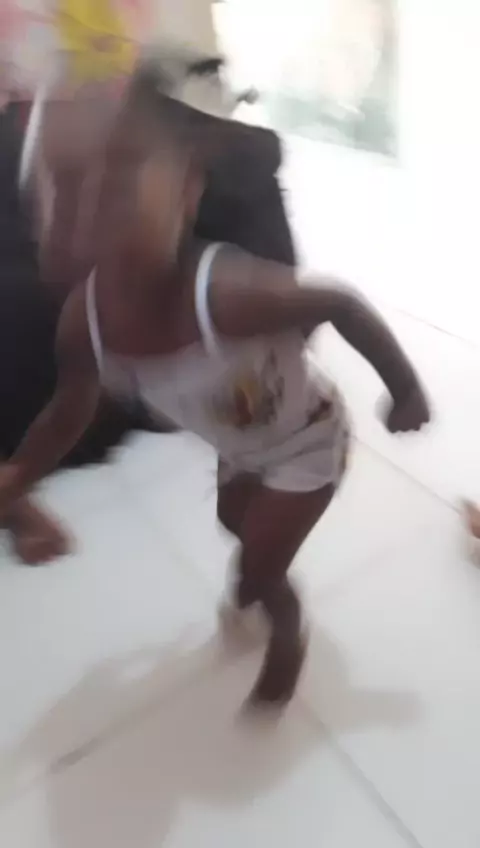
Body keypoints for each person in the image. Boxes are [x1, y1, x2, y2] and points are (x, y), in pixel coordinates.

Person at [0, 75, 430, 704]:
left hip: (306, 442)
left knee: (258, 568)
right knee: (234, 521)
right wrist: (19, 475)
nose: (86, 217)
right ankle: (260, 577)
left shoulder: (228, 294)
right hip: (240, 445)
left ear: (187, 192)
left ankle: (286, 622)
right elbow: (68, 411)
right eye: (59, 190)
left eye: (115, 186)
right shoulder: (81, 322)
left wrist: (405, 389)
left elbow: (337, 302)